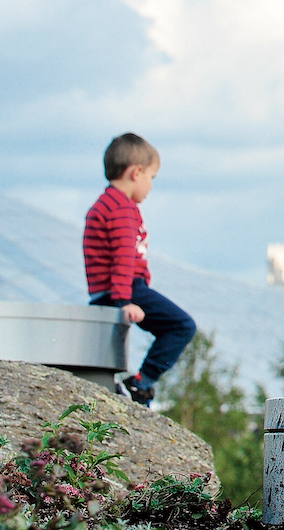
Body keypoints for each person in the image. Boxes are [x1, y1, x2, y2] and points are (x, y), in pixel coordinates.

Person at [83, 133, 196, 406]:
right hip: (124, 288)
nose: (151, 186)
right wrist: (125, 301)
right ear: (136, 173)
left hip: (107, 291)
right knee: (181, 326)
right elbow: (123, 257)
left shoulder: (104, 204)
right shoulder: (122, 208)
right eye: (152, 178)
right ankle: (142, 382)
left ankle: (135, 385)